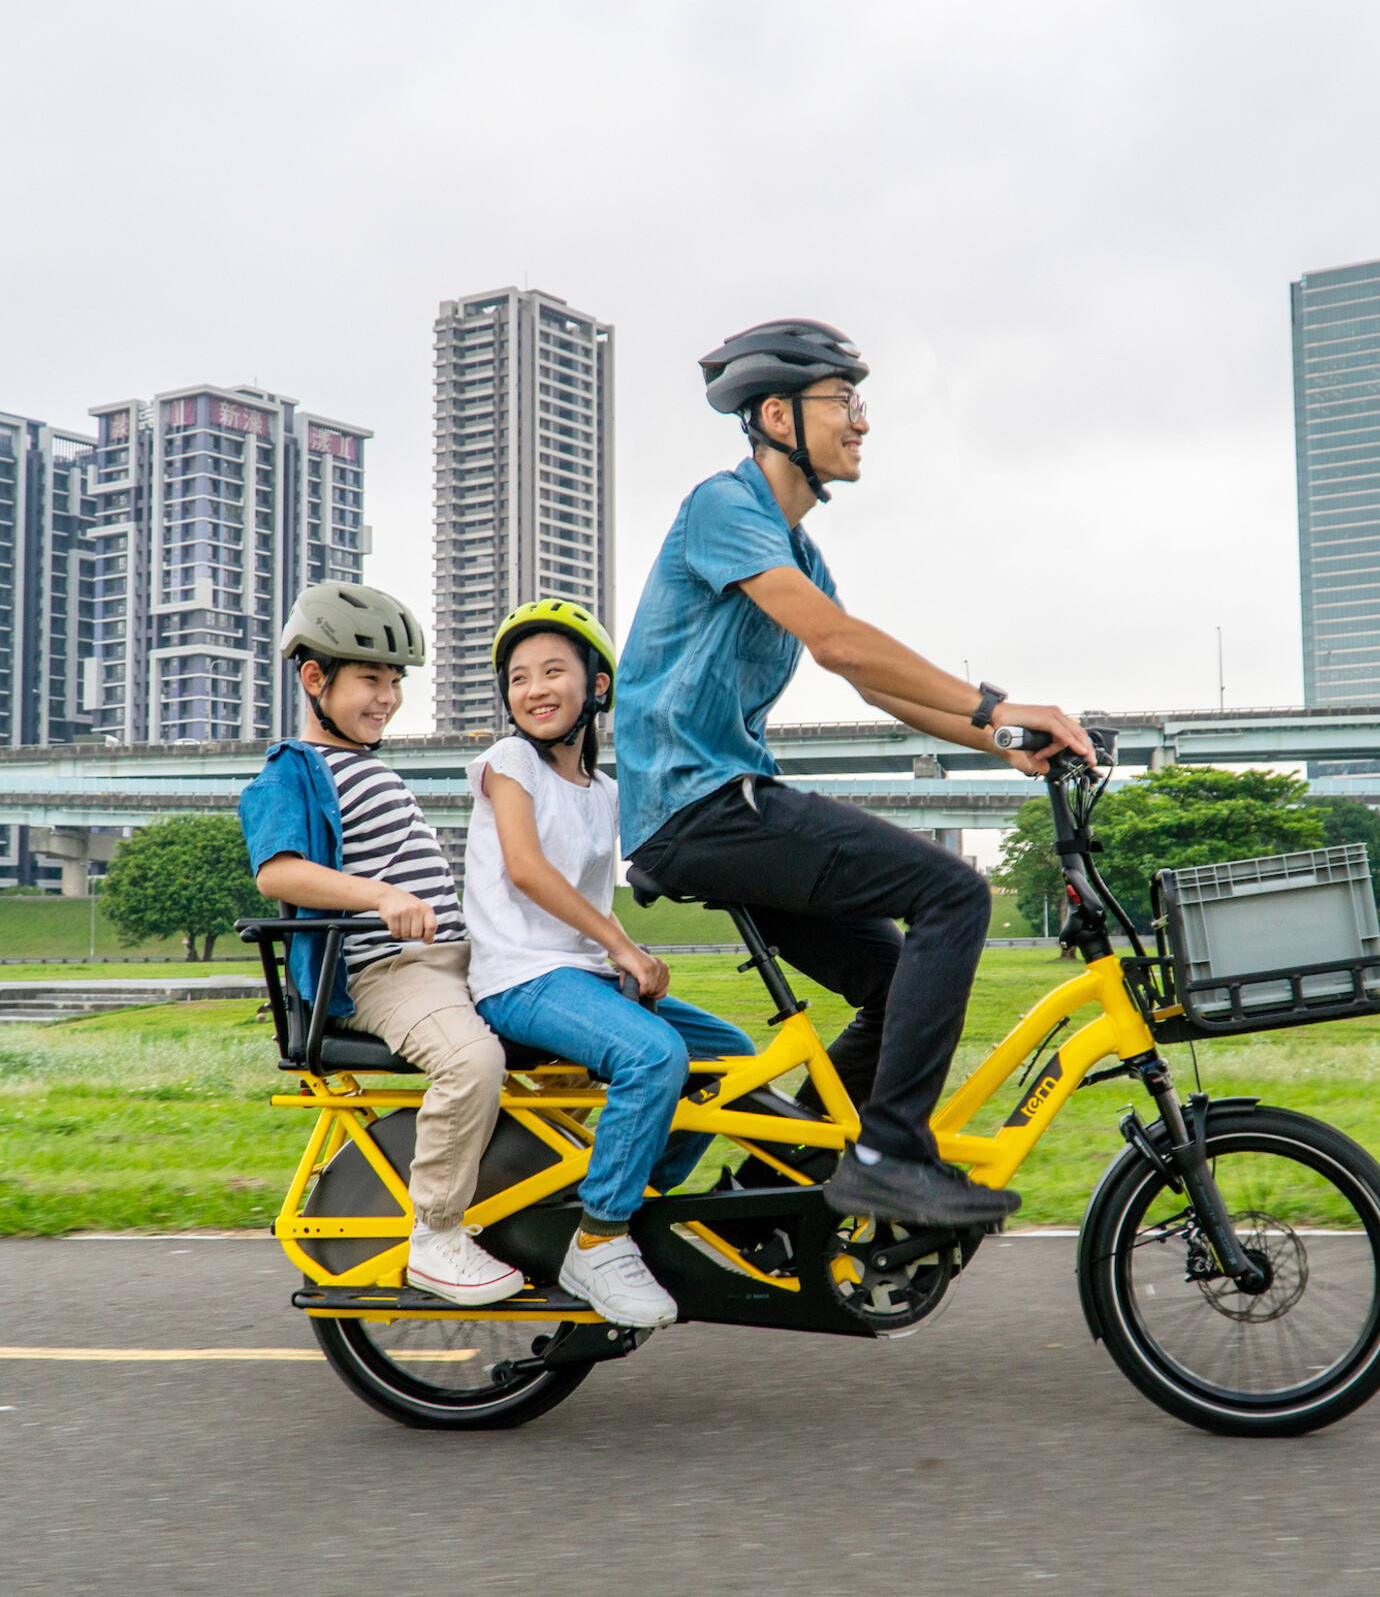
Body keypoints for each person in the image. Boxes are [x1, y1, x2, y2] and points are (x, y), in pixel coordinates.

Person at [616, 320, 1094, 1228]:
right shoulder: (722, 506)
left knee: (896, 976)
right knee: (954, 893)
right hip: (699, 811)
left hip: (727, 808)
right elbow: (837, 646)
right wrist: (996, 704)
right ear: (776, 416)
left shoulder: (800, 553)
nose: (862, 423)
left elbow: (876, 685)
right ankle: (888, 1156)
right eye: (844, 403)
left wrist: (1001, 741)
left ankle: (773, 1188)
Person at [463, 599, 754, 1328]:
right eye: (520, 676)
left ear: (595, 687)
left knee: (731, 1057)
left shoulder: (606, 792)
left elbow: (596, 891)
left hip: (580, 977)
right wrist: (621, 947)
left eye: (553, 671)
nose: (533, 688)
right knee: (655, 1054)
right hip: (519, 980)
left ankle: (632, 1200)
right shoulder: (508, 765)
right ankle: (600, 1237)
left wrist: (631, 944)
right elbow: (529, 872)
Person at [240, 582, 525, 1307]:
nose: (388, 696)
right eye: (371, 679)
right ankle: (436, 1236)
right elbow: (280, 872)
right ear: (315, 679)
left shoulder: (371, 767)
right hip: (388, 971)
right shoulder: (292, 769)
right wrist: (383, 896)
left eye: (395, 681)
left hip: (455, 963)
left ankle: (531, 1203)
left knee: (578, 1045)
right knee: (471, 1060)